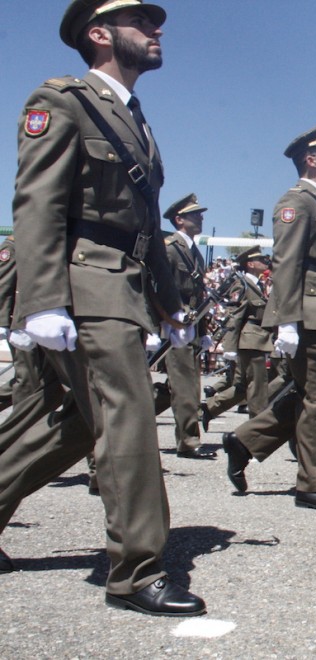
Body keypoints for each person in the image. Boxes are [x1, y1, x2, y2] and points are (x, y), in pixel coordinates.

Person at [0, 0, 204, 615]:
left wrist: (169, 303)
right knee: (128, 418)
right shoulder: (62, 100)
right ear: (100, 34)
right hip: (85, 280)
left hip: (125, 285)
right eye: (141, 21)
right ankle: (136, 570)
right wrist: (40, 301)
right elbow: (37, 204)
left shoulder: (133, 116)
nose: (156, 28)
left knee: (86, 422)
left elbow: (143, 223)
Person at [222, 125, 316, 511]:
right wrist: (286, 320)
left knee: (309, 391)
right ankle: (314, 484)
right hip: (308, 312)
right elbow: (287, 262)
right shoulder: (296, 201)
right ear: (311, 160)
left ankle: (245, 441)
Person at [162, 193, 215, 459]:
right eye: (195, 214)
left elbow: (199, 297)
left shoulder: (194, 252)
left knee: (188, 387)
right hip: (175, 327)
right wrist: (167, 321)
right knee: (183, 389)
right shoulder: (170, 248)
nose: (201, 217)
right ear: (179, 219)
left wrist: (204, 333)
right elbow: (159, 287)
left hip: (190, 328)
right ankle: (188, 441)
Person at [201, 246, 273, 427]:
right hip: (250, 341)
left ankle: (210, 408)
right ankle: (256, 433)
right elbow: (235, 316)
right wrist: (230, 347)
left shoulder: (258, 284)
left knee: (242, 387)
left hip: (257, 339)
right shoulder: (243, 284)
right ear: (250, 264)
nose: (265, 262)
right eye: (261, 260)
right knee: (257, 388)